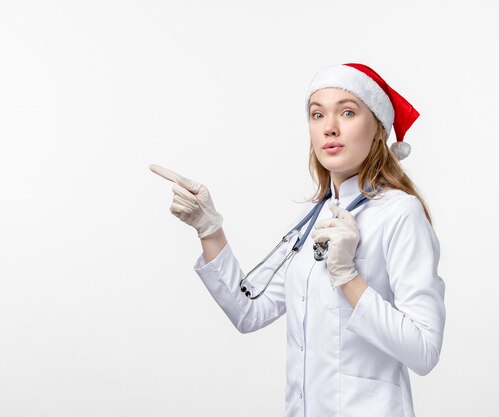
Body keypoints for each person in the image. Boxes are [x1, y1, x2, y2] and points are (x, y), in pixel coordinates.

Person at [149, 63, 446, 417]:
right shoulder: (314, 221)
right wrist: (209, 228)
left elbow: (424, 350)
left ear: (379, 129)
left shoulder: (399, 213)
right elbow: (250, 312)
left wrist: (347, 276)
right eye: (317, 115)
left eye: (347, 112)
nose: (329, 128)